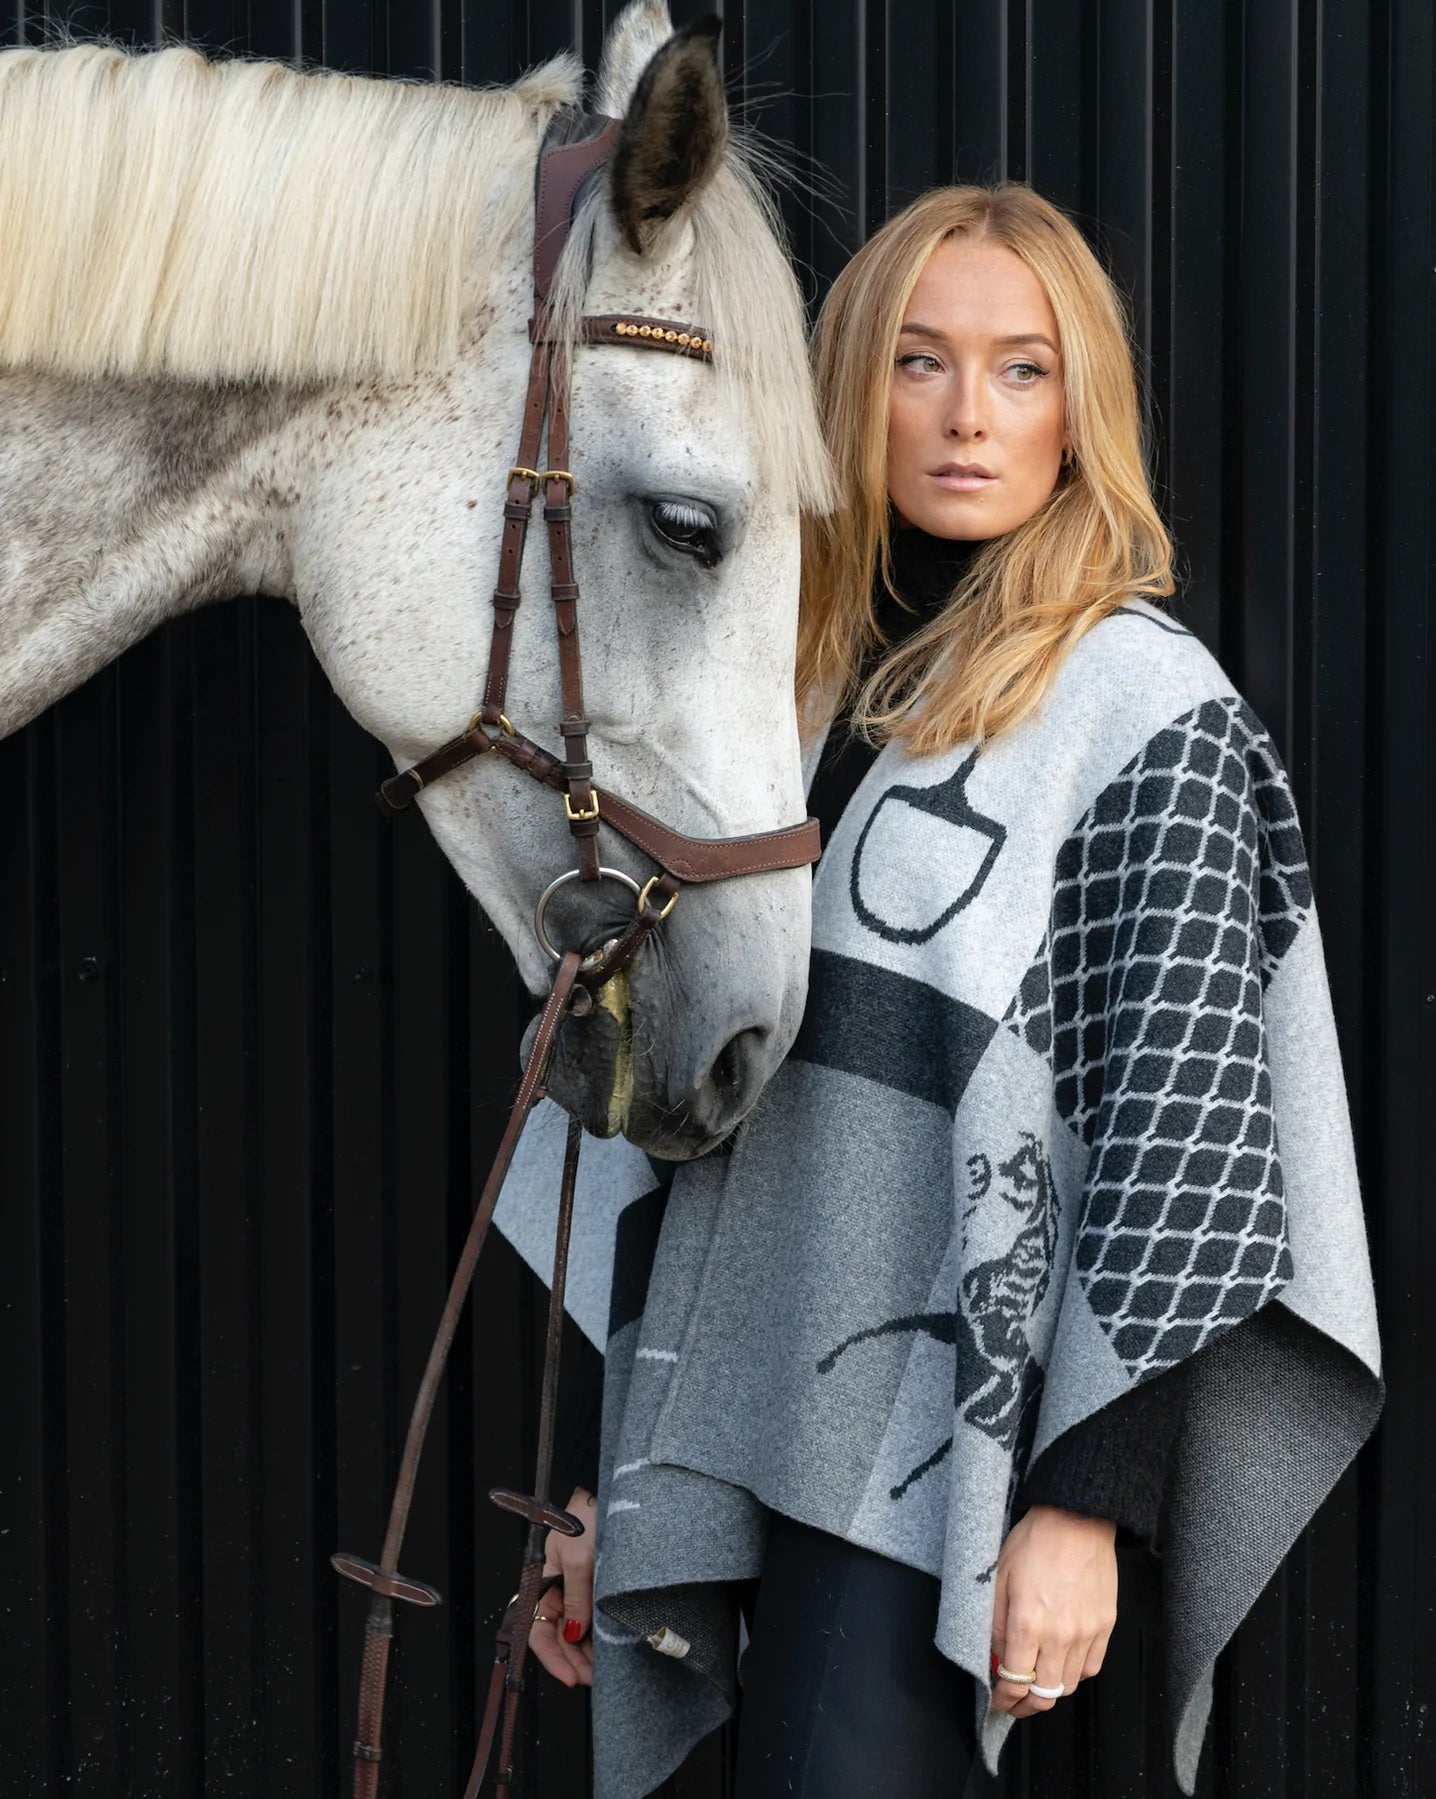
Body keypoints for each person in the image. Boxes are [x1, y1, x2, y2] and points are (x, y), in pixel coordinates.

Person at [513, 183, 1384, 1798]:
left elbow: (1188, 1126)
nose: (969, 415)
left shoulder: (1142, 713)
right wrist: (607, 1479)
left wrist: (1082, 1502)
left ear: (1078, 407)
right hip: (713, 1402)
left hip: (936, 1435)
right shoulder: (771, 692)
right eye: (920, 362)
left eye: (1021, 368)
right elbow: (670, 1102)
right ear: (852, 386)